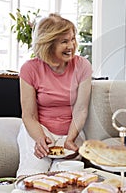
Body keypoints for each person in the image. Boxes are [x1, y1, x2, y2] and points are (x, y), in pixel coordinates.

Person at [16, 13, 92, 177]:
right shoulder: (29, 69)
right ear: (48, 44)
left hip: (71, 132)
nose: (71, 45)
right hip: (39, 130)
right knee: (32, 176)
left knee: (65, 178)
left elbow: (80, 110)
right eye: (64, 41)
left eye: (72, 39)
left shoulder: (83, 66)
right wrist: (40, 139)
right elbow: (29, 115)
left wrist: (70, 140)